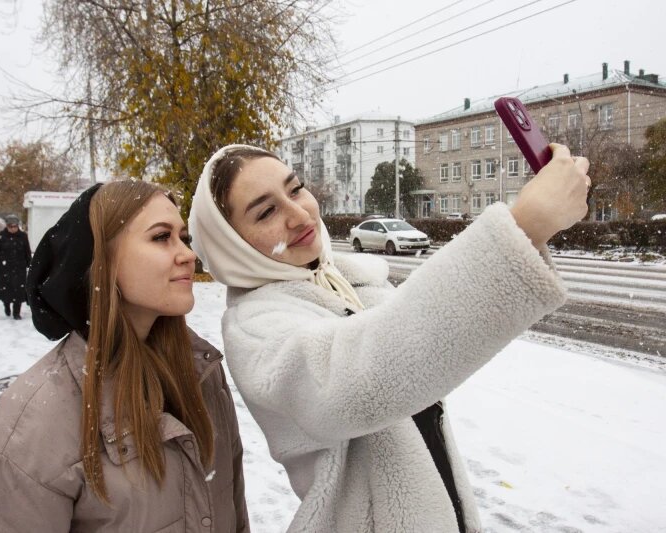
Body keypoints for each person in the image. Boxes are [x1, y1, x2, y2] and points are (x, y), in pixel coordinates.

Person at [188, 143, 590, 532]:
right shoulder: (255, 327)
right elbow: (360, 376)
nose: (298, 214)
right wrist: (527, 225)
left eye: (295, 189)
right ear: (233, 246)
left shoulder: (347, 283)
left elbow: (419, 346)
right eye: (266, 212)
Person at [0, 181, 249, 532]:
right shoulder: (35, 420)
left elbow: (234, 513)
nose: (188, 255)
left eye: (184, 238)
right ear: (103, 260)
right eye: (161, 237)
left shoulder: (203, 374)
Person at [0, 214, 31, 319]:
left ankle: (16, 312)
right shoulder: (0, 236)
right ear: (7, 226)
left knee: (19, 290)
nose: (13, 229)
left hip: (19, 268)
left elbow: (27, 252)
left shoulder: (23, 236)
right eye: (11, 226)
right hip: (4, 268)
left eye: (15, 226)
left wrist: (31, 266)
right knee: (5, 290)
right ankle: (6, 305)